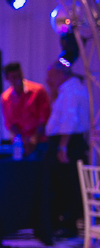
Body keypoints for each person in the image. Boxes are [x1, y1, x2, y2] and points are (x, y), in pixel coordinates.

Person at [45, 60, 89, 236]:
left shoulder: (70, 91)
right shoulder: (75, 88)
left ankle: (68, 224)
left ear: (60, 73)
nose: (48, 80)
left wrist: (62, 146)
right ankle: (65, 222)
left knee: (67, 184)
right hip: (72, 140)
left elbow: (70, 120)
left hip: (67, 141)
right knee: (68, 184)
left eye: (50, 76)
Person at [1, 62, 51, 159]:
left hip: (40, 142)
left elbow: (44, 118)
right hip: (20, 144)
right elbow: (9, 123)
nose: (18, 79)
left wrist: (34, 139)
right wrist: (23, 140)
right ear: (7, 78)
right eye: (14, 77)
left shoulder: (38, 91)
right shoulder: (6, 97)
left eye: (19, 75)